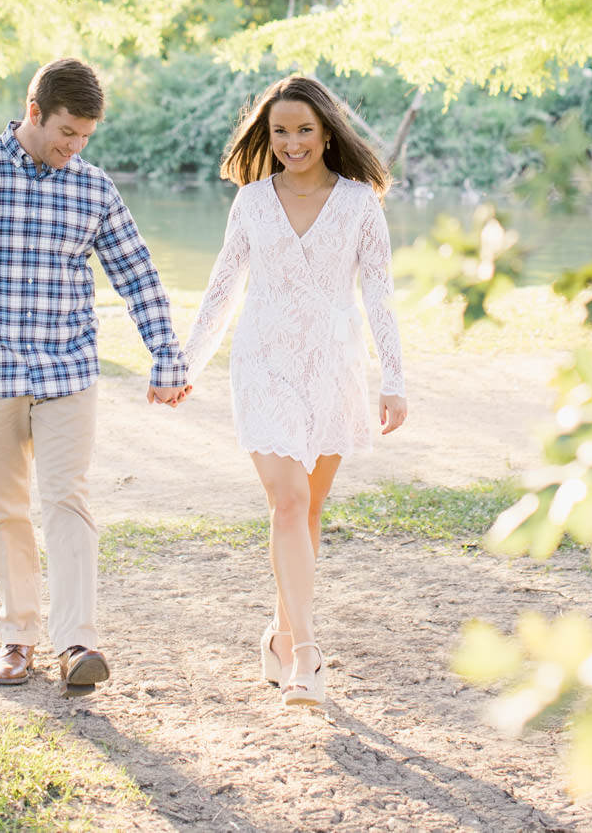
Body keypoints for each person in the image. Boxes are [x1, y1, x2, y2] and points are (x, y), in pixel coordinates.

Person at [0, 57, 190, 697]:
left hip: (68, 369)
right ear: (34, 112)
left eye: (86, 137)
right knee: (3, 509)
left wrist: (165, 355)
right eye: (67, 132)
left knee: (68, 501)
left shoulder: (93, 187)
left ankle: (77, 641)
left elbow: (137, 274)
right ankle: (17, 637)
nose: (75, 147)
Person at [184, 75, 407, 711]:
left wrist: (393, 379)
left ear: (327, 131)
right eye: (280, 131)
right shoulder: (251, 202)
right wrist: (187, 363)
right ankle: (308, 654)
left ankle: (280, 638)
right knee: (287, 503)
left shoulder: (361, 203)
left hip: (333, 367)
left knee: (307, 511)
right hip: (263, 364)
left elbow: (380, 294)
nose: (291, 142)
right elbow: (223, 287)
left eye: (303, 129)